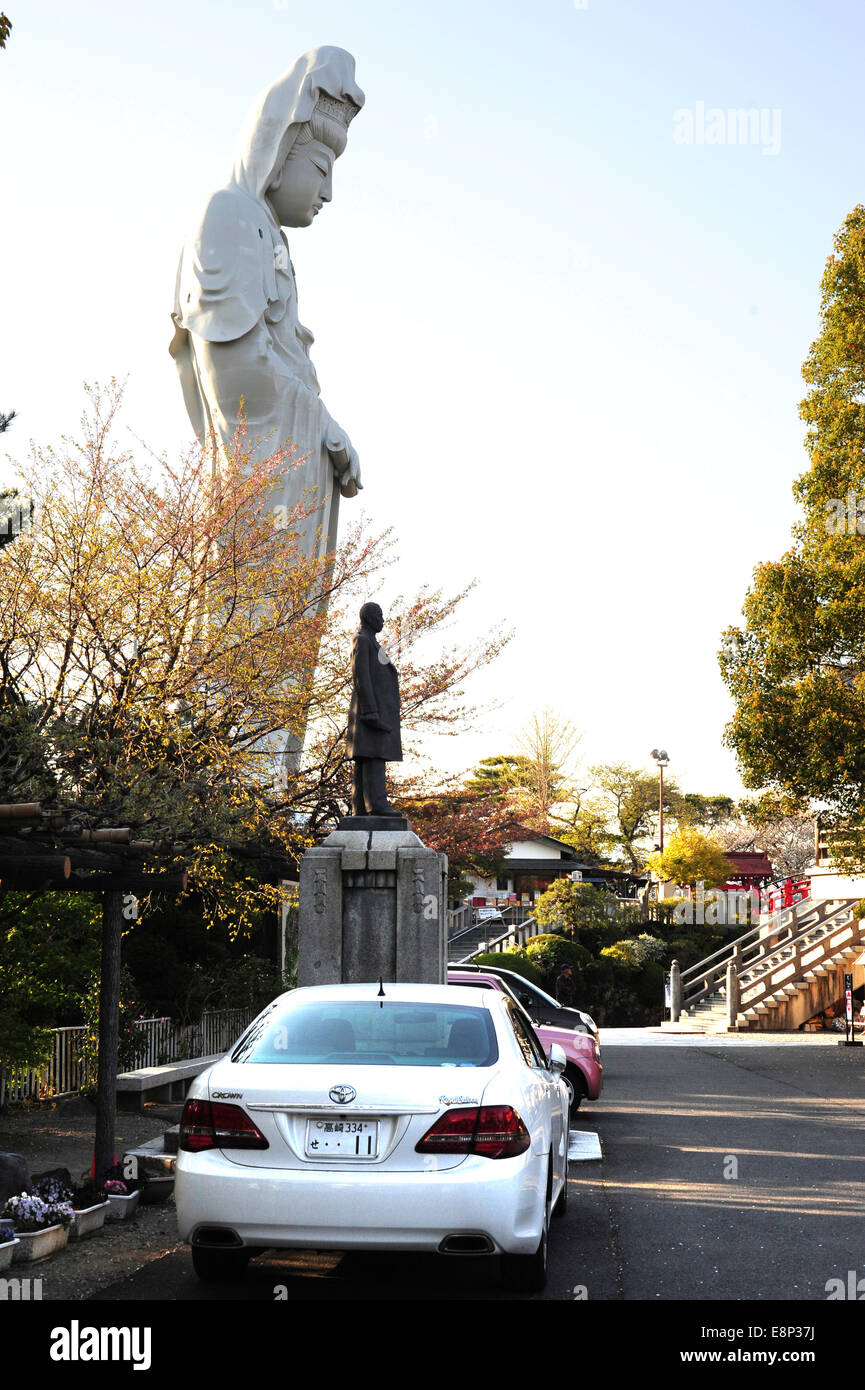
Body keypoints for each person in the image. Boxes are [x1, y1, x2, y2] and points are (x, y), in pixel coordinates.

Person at [170, 48, 365, 566]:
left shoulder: (267, 235)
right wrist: (321, 423)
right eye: (320, 169)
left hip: (288, 486)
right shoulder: (229, 214)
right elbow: (236, 374)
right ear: (280, 152)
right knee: (248, 626)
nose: (329, 192)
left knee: (284, 635)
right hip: (256, 493)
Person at [345, 602, 403, 816]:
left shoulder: (370, 642)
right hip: (370, 713)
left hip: (373, 712)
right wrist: (371, 712)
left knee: (366, 759)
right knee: (373, 756)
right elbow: (361, 677)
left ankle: (360, 808)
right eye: (379, 615)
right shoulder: (362, 640)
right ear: (369, 618)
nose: (382, 620)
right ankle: (377, 805)